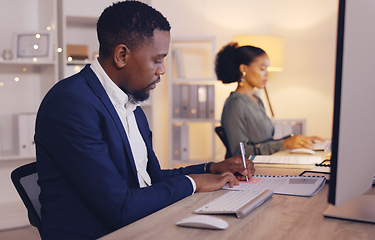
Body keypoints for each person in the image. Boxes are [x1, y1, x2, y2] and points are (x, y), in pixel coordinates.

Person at [35, 2, 255, 239]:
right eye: (157, 60)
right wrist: (193, 182)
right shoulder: (71, 105)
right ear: (122, 55)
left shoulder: (130, 103)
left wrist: (210, 169)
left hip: (142, 225)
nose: (162, 71)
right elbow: (120, 207)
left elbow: (150, 179)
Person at [215, 42, 322, 158]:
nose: (267, 74)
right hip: (246, 172)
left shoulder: (256, 100)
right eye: (262, 68)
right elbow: (239, 153)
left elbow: (266, 142)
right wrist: (284, 144)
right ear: (243, 69)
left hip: (264, 164)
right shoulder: (234, 104)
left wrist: (297, 140)